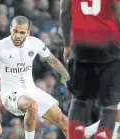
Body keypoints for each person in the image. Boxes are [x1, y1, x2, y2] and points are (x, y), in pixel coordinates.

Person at [0, 16, 69, 139]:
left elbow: (52, 61)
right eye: (15, 31)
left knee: (64, 121)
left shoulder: (35, 43)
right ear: (10, 29)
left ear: (28, 32)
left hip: (32, 90)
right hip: (10, 94)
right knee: (32, 105)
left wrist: (67, 76)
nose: (17, 35)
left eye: (22, 32)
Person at [60, 0, 120, 138]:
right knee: (110, 107)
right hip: (108, 47)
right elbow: (118, 14)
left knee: (79, 100)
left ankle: (77, 135)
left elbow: (64, 11)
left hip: (81, 46)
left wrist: (67, 45)